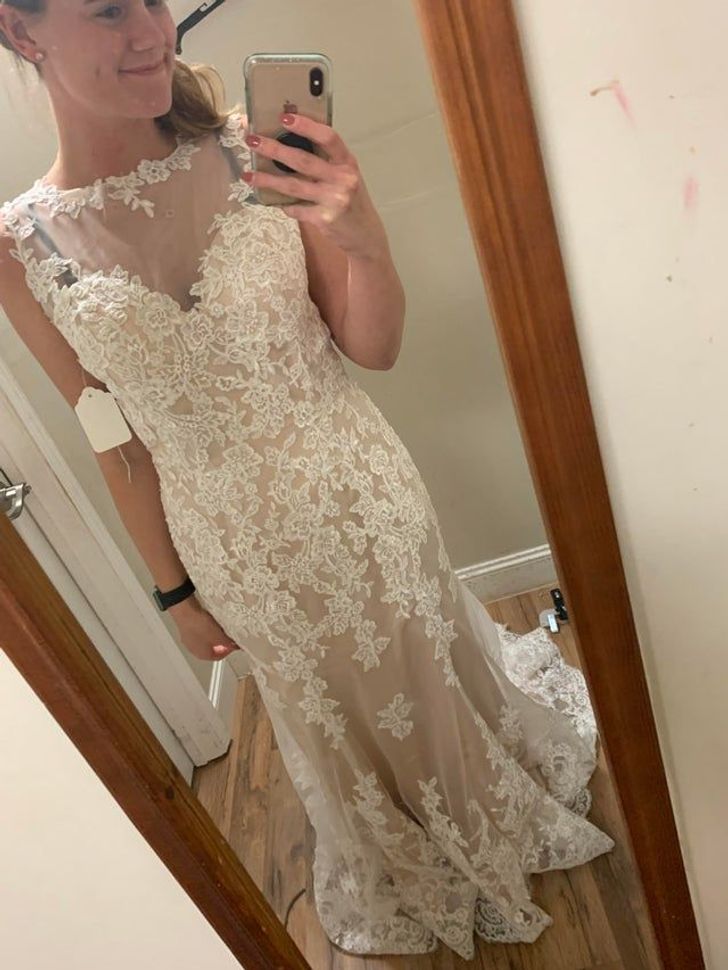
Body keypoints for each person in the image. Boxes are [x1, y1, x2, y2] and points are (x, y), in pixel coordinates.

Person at [0, 0, 616, 960]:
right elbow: (114, 441)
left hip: (363, 495)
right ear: (21, 30)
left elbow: (373, 347)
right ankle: (403, 856)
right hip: (236, 551)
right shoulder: (19, 247)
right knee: (330, 722)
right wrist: (173, 593)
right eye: (110, 9)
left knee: (427, 669)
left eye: (155, 1)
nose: (153, 33)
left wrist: (364, 235)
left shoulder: (253, 149)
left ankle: (493, 808)